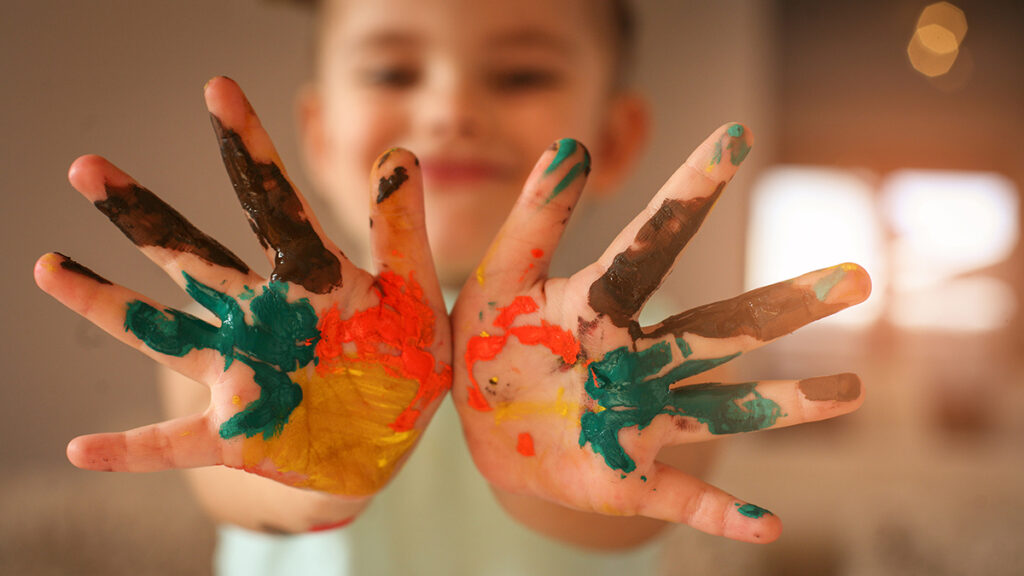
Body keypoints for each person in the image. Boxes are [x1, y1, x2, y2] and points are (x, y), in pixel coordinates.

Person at [33, 0, 871, 573]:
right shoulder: (227, 349)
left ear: (616, 138)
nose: (450, 106)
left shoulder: (647, 359)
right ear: (318, 135)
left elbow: (621, 524)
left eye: (519, 76)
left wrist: (547, 460)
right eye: (394, 72)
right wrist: (317, 458)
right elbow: (243, 497)